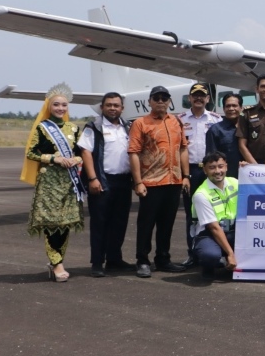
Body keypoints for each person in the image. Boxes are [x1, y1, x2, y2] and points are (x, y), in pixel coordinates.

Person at [22, 82, 85, 282]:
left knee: (64, 224)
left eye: (64, 105)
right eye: (56, 104)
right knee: (51, 224)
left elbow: (82, 153)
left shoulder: (74, 128)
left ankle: (57, 261)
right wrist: (53, 158)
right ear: (49, 106)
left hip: (68, 182)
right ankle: (57, 263)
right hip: (49, 182)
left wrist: (76, 159)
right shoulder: (42, 128)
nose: (60, 108)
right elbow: (31, 153)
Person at [128, 85, 190, 278]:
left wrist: (186, 176)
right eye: (157, 98)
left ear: (170, 101)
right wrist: (138, 182)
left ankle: (163, 258)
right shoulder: (140, 123)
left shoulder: (176, 121)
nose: (161, 101)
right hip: (151, 182)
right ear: (150, 102)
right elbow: (134, 153)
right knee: (146, 224)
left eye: (164, 98)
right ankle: (142, 260)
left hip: (173, 181)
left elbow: (183, 148)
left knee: (167, 223)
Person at [77, 92, 134, 277]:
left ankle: (114, 259)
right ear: (102, 107)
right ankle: (97, 262)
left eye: (116, 105)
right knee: (100, 223)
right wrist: (93, 179)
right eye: (109, 105)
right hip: (102, 180)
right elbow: (86, 152)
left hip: (123, 180)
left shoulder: (127, 127)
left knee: (119, 222)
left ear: (122, 108)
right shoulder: (94, 126)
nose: (112, 108)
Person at [179, 83, 223, 267]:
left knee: (215, 212)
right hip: (189, 171)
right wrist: (184, 175)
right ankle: (193, 254)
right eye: (195, 95)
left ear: (208, 98)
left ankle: (214, 251)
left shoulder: (216, 119)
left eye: (202, 95)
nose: (198, 98)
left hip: (211, 172)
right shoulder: (180, 119)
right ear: (189, 98)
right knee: (192, 214)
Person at [191, 151, 239, 280]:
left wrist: (248, 170)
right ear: (205, 170)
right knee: (210, 256)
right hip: (209, 234)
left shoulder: (235, 183)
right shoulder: (201, 194)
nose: (217, 171)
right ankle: (209, 267)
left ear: (226, 167)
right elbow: (213, 228)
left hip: (232, 231)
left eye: (220, 166)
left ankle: (231, 262)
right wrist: (230, 253)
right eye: (212, 168)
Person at [206, 92, 244, 179]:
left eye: (234, 105)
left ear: (241, 108)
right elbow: (211, 158)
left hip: (249, 177)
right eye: (228, 106)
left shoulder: (248, 127)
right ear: (223, 109)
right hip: (226, 178)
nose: (231, 108)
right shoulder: (215, 130)